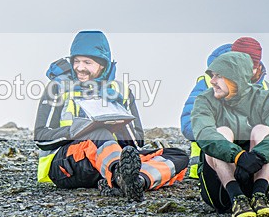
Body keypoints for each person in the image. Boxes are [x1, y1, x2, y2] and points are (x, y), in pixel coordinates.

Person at [34, 31, 187, 202]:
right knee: (99, 134)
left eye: (87, 62)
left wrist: (121, 120)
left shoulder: (121, 91)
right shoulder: (57, 88)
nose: (80, 67)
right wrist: (79, 130)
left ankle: (139, 181)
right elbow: (41, 137)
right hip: (66, 167)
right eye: (76, 61)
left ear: (103, 65)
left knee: (178, 156)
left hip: (109, 159)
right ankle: (118, 175)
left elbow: (136, 144)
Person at [181, 37, 269, 190]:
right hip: (214, 161)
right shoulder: (209, 83)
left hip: (254, 155)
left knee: (262, 138)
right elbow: (189, 124)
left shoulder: (267, 90)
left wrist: (257, 152)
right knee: (227, 134)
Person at [191, 51, 269, 217]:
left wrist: (258, 156)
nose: (212, 81)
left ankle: (259, 196)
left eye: (218, 76)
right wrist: (238, 156)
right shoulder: (204, 100)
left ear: (235, 78)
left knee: (262, 130)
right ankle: (237, 198)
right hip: (221, 191)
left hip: (255, 175)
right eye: (212, 76)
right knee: (221, 133)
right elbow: (204, 133)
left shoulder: (264, 97)